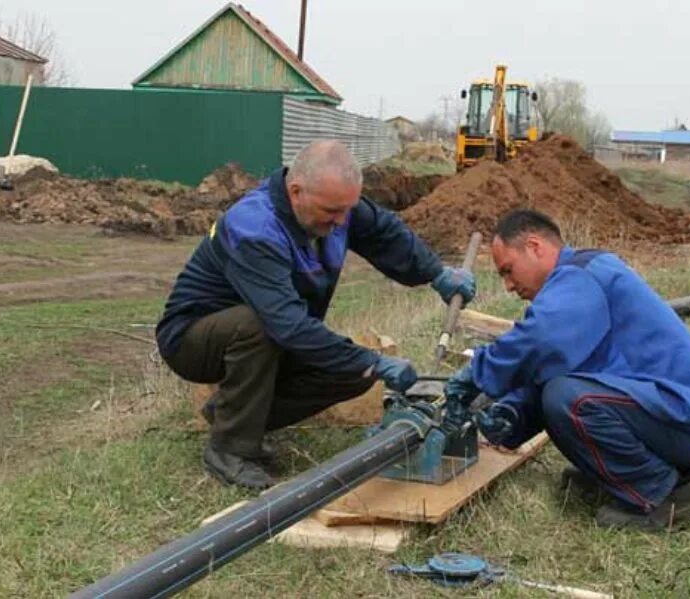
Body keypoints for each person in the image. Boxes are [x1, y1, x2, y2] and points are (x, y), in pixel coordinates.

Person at [156, 140, 475, 490]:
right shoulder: (254, 228)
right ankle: (229, 449)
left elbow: (385, 233)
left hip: (273, 334)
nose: (341, 222)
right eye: (332, 212)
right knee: (259, 327)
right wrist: (372, 358)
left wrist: (436, 273)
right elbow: (287, 325)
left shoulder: (335, 205)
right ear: (296, 191)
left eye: (346, 211)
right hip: (194, 340)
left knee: (354, 372)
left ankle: (230, 415)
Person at [444, 209, 690, 531]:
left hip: (689, 420)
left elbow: (540, 341)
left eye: (508, 271)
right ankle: (620, 479)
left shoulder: (580, 275)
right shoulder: (577, 280)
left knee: (567, 399)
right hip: (669, 416)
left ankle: (667, 496)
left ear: (535, 246)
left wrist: (476, 374)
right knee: (560, 391)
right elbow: (552, 364)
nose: (508, 285)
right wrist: (512, 415)